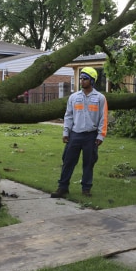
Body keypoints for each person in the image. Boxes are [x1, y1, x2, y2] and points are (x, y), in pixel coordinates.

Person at [51, 67, 108, 198]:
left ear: (92, 80)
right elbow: (68, 116)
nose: (82, 81)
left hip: (91, 135)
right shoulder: (73, 97)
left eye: (85, 79)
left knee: (89, 163)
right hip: (75, 135)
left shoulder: (100, 98)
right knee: (68, 161)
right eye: (81, 78)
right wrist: (66, 132)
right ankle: (62, 187)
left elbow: (103, 118)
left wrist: (101, 135)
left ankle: (86, 188)